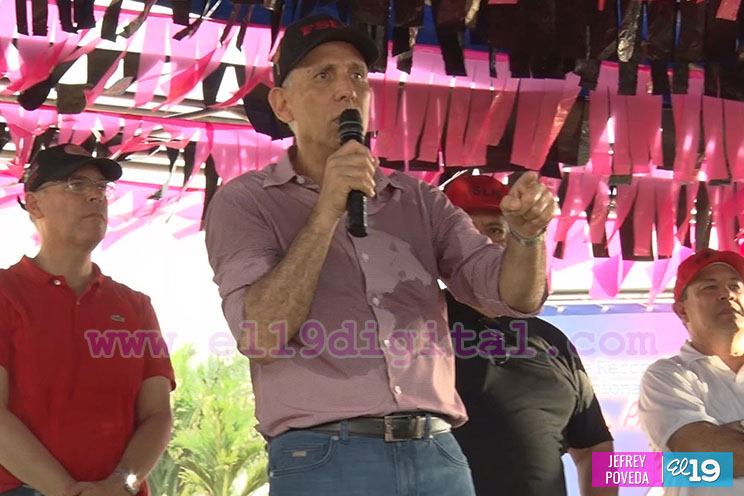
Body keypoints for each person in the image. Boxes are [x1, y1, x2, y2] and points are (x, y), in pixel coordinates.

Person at [204, 14, 555, 496]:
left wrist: (527, 237)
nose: (346, 90)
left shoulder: (420, 200)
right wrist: (326, 212)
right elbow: (260, 334)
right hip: (325, 456)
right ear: (282, 104)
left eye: (357, 75)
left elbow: (512, 297)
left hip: (437, 450)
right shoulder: (247, 202)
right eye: (323, 75)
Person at [0, 144, 176, 496]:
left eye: (101, 188)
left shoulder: (136, 306)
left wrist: (121, 483)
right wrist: (67, 490)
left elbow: (158, 415)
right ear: (33, 204)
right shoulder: (6, 294)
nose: (95, 196)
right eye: (75, 185)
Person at [443, 174, 615, 496]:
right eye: (467, 232)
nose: (483, 243)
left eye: (496, 230)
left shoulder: (553, 341)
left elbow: (595, 448)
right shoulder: (410, 328)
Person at [639, 248, 744, 495]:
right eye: (710, 287)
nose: (727, 294)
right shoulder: (666, 376)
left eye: (735, 286)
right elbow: (701, 452)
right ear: (682, 311)